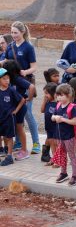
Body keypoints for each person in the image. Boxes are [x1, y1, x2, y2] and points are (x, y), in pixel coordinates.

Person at [2, 22, 40, 154]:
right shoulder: (11, 46)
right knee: (15, 115)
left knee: (28, 114)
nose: (13, 35)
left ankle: (36, 143)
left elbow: (34, 66)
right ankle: (18, 143)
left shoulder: (28, 47)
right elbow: (5, 62)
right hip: (12, 85)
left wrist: (25, 72)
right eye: (12, 32)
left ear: (22, 32)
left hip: (24, 83)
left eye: (16, 33)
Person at [2, 60, 33, 161]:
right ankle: (11, 149)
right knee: (14, 127)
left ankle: (24, 150)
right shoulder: (11, 79)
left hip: (19, 107)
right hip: (14, 107)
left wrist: (29, 98)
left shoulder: (17, 79)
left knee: (20, 128)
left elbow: (31, 87)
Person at [52, 84, 76, 186]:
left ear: (68, 95)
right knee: (62, 154)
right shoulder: (58, 105)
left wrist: (62, 119)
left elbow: (75, 122)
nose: (58, 97)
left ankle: (75, 176)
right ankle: (63, 173)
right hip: (60, 136)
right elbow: (53, 116)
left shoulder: (72, 108)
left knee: (72, 155)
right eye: (57, 95)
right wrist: (55, 117)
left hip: (69, 136)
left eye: (61, 95)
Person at [0, 68, 24, 166]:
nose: (7, 80)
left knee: (9, 137)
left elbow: (22, 100)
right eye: (4, 78)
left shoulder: (11, 90)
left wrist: (15, 111)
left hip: (9, 118)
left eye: (8, 78)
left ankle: (9, 156)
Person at [41, 82, 58, 166]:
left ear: (54, 94)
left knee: (56, 143)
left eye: (47, 93)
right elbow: (42, 110)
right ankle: (54, 158)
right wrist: (44, 100)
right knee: (51, 143)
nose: (45, 95)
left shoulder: (58, 104)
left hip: (55, 127)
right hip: (48, 126)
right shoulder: (48, 102)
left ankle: (58, 159)